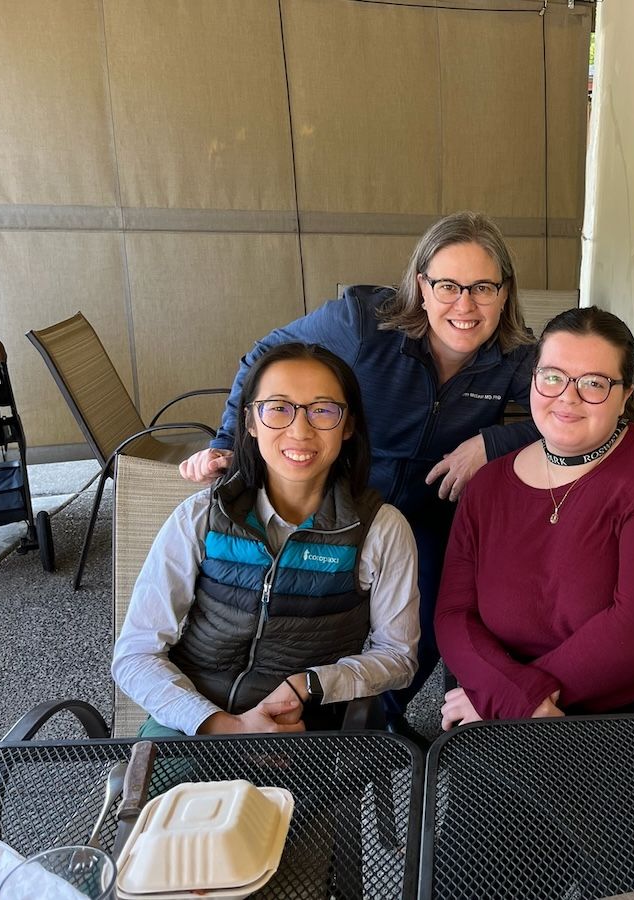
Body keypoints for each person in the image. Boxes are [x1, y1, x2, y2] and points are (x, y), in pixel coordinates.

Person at [178, 212, 539, 714]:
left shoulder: (516, 355)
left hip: (432, 510)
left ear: (504, 292)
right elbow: (266, 354)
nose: (465, 304)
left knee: (436, 616)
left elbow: (570, 412)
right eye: (448, 286)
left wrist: (492, 442)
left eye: (482, 287)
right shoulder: (364, 323)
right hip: (341, 496)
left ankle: (374, 727)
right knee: (308, 615)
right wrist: (226, 441)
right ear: (421, 284)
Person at [436, 307, 634, 728]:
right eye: (553, 376)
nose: (567, 397)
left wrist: (516, 699)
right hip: (520, 696)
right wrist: (509, 692)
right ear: (533, 380)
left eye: (594, 383)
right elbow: (454, 614)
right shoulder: (487, 487)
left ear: (626, 393)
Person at [112, 343, 420, 736]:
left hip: (301, 724)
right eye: (278, 408)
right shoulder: (200, 516)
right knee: (158, 799)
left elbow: (397, 656)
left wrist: (310, 684)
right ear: (251, 422)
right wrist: (218, 723)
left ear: (348, 425)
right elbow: (136, 653)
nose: (300, 429)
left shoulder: (382, 528)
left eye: (323, 410)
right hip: (192, 721)